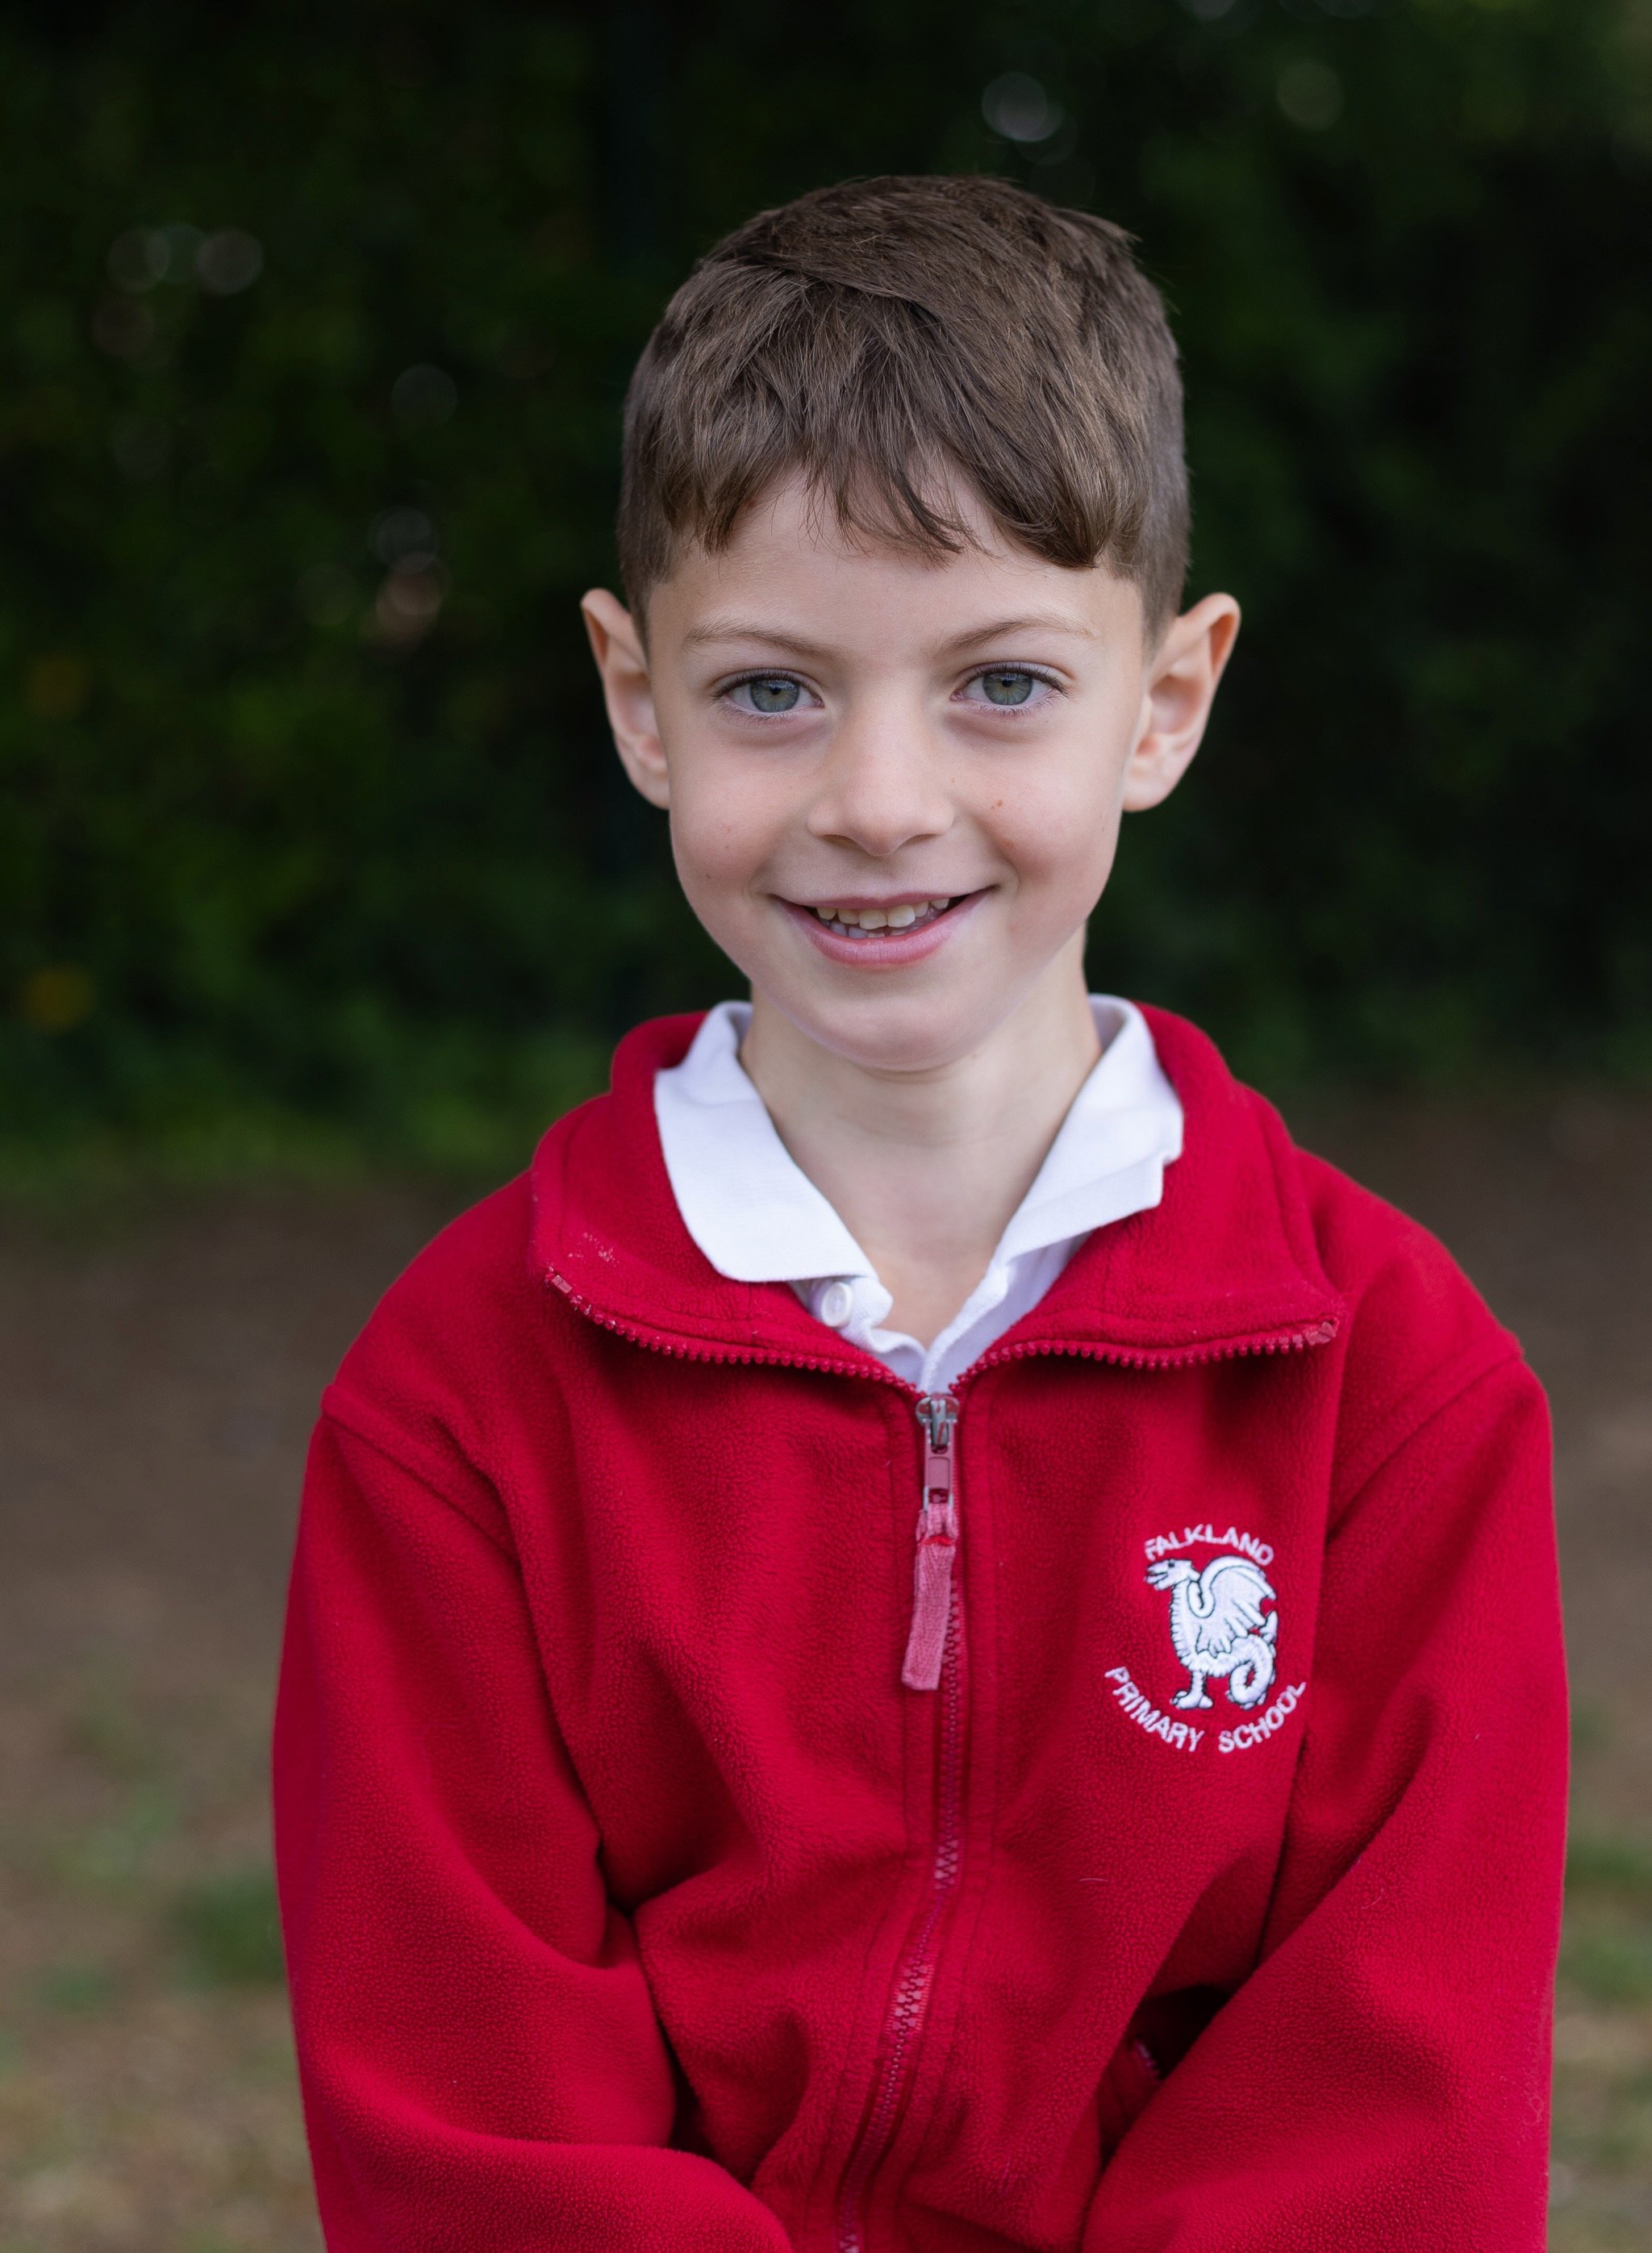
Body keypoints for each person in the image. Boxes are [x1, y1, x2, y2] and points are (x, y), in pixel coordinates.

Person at [273, 176, 1566, 2251]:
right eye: (771, 691)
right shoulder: (460, 1396)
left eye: (1001, 684)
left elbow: (1387, 2100)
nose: (878, 800)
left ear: (1166, 701)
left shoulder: (1389, 1377)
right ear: (636, 700)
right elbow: (468, 2107)